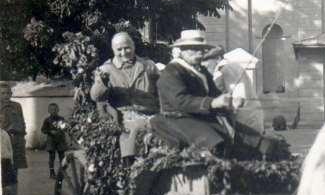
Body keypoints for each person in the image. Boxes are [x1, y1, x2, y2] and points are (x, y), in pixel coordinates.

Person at [151, 30, 235, 153]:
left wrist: (229, 102)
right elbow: (180, 101)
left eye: (202, 49)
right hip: (178, 118)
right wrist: (212, 103)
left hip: (201, 117)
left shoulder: (201, 71)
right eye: (194, 49)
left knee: (250, 139)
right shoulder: (171, 71)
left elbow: (214, 94)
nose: (199, 53)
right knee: (215, 144)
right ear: (182, 51)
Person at [90, 32, 159, 161]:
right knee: (138, 127)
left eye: (127, 47)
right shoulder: (106, 69)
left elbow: (161, 91)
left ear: (133, 46)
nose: (124, 52)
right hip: (124, 116)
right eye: (119, 49)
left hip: (152, 112)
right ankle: (132, 165)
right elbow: (96, 96)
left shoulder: (148, 66)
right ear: (113, 50)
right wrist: (102, 82)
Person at [204, 46, 265, 133]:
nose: (204, 65)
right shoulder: (225, 70)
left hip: (245, 119)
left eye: (207, 60)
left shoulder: (229, 68)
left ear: (217, 58)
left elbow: (239, 97)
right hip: (248, 116)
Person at [0, 81, 29, 195]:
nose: (6, 96)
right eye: (2, 93)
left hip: (16, 143)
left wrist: (19, 131)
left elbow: (22, 123)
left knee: (14, 175)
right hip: (2, 143)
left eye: (8, 93)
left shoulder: (17, 106)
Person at [41, 103, 68, 179]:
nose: (54, 111)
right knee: (51, 157)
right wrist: (50, 131)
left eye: (55, 109)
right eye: (52, 109)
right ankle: (52, 173)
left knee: (62, 157)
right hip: (51, 140)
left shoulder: (61, 119)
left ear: (58, 110)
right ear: (49, 110)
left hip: (60, 140)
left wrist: (63, 128)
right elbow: (43, 130)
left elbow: (65, 128)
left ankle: (62, 172)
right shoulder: (47, 120)